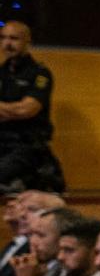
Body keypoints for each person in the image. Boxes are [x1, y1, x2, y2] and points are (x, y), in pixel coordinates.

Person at [0, 21, 62, 190]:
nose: (8, 43)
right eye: (3, 38)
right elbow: (17, 109)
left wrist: (8, 111)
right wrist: (11, 110)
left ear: (27, 42)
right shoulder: (2, 72)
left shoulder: (39, 73)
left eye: (14, 38)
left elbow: (27, 109)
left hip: (26, 146)